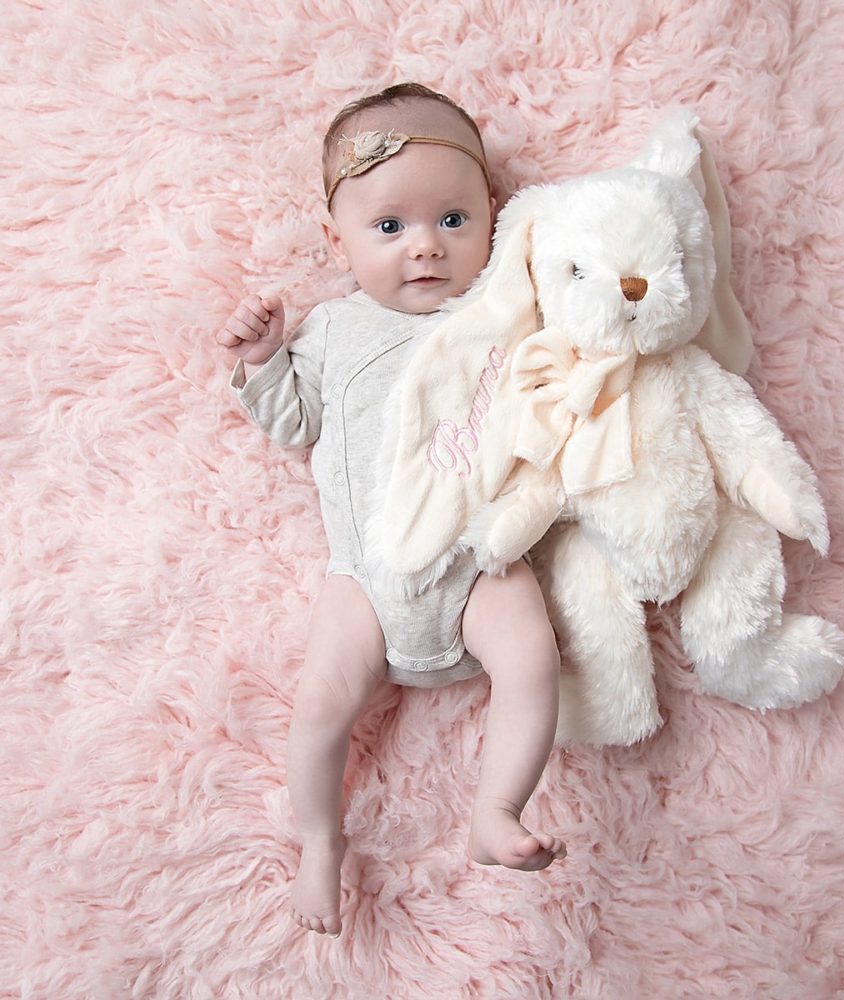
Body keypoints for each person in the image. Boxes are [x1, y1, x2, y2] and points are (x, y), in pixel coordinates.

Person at [217, 83, 566, 937]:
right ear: (337, 238)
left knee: (534, 665)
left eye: (453, 220)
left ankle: (497, 809)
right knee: (319, 706)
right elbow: (293, 423)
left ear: (493, 214)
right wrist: (264, 360)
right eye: (389, 228)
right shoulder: (334, 329)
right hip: (367, 579)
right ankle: (317, 841)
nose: (425, 249)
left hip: (480, 561)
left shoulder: (503, 316)